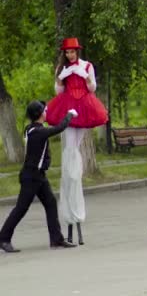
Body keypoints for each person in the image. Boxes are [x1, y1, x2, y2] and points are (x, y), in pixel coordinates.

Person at [46, 37, 108, 245]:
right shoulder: (61, 67)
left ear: (77, 52)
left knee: (77, 144)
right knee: (69, 143)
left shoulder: (86, 65)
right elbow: (58, 92)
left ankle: (75, 171)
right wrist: (60, 78)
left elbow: (92, 88)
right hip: (68, 102)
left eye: (72, 52)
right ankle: (70, 171)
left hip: (84, 102)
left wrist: (85, 76)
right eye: (67, 52)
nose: (70, 55)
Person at [0, 101, 78, 252]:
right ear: (39, 114)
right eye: (44, 110)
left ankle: (56, 240)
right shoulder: (37, 131)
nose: (46, 111)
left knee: (50, 203)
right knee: (21, 208)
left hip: (38, 175)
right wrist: (70, 115)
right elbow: (59, 128)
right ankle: (3, 238)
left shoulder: (32, 129)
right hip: (31, 176)